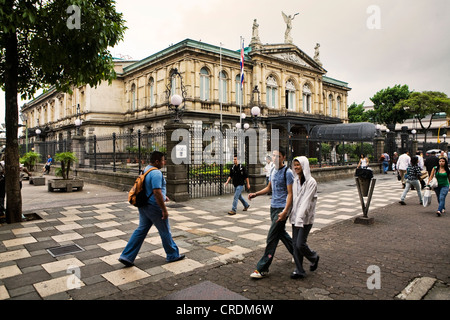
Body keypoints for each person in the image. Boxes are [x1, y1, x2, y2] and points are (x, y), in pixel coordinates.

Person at [119, 151, 185, 267]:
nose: (164, 162)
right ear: (157, 161)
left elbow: (149, 188)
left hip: (144, 205)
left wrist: (164, 196)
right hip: (154, 207)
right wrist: (164, 209)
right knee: (165, 231)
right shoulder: (156, 173)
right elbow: (156, 191)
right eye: (163, 160)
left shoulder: (146, 169)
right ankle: (172, 255)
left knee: (141, 230)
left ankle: (127, 256)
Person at [247, 149, 294, 279]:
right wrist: (256, 194)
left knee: (271, 237)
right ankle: (297, 252)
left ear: (283, 157)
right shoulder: (273, 170)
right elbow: (269, 188)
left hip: (282, 209)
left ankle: (262, 268)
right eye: (273, 156)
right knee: (280, 233)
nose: (274, 158)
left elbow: (290, 193)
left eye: (278, 156)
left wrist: (285, 211)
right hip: (273, 207)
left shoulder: (288, 173)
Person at [289, 156, 319, 279]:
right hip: (295, 216)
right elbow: (293, 199)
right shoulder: (295, 181)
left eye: (298, 165)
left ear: (304, 165)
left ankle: (313, 257)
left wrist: (299, 219)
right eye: (294, 165)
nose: (296, 167)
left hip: (305, 218)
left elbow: (306, 202)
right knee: (295, 244)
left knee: (300, 244)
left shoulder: (311, 182)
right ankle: (299, 270)